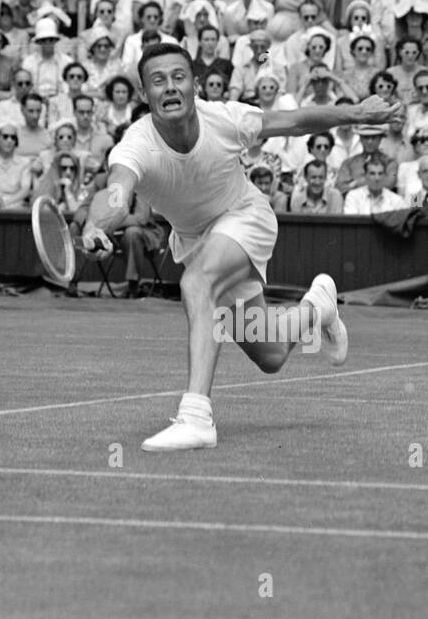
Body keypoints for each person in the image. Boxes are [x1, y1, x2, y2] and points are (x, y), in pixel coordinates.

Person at [80, 41, 401, 451]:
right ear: (144, 94)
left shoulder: (226, 119)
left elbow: (294, 120)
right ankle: (318, 307)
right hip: (198, 241)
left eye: (179, 77)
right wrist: (93, 224)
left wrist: (356, 113)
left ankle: (196, 417)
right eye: (157, 81)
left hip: (245, 218)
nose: (170, 88)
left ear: (195, 85)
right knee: (270, 355)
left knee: (196, 284)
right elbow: (115, 195)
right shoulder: (135, 143)